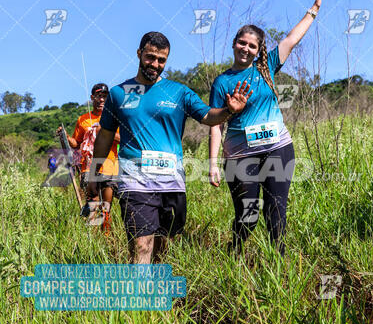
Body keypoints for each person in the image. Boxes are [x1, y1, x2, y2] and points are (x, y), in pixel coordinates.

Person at [87, 31, 252, 264]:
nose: (155, 64)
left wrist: (229, 111)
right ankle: (138, 298)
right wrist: (95, 172)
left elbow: (208, 116)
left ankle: (157, 293)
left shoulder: (179, 92)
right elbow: (104, 137)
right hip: (135, 182)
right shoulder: (118, 93)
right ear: (139, 54)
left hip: (171, 183)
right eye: (150, 57)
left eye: (161, 60)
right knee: (141, 245)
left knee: (164, 247)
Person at [209, 0, 322, 256]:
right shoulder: (221, 82)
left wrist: (313, 10)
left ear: (259, 50)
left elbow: (292, 39)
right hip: (239, 156)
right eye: (242, 43)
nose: (246, 49)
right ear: (234, 43)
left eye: (252, 45)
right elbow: (215, 124)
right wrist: (213, 163)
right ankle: (232, 259)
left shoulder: (267, 67)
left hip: (277, 149)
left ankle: (279, 270)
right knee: (248, 217)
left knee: (276, 215)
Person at [57, 83, 120, 228]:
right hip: (89, 168)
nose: (102, 99)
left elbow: (123, 139)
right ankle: (93, 241)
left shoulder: (114, 117)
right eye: (98, 96)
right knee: (93, 206)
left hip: (109, 167)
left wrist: (104, 131)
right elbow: (76, 143)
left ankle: (106, 237)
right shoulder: (83, 119)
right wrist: (64, 136)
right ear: (92, 98)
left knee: (106, 207)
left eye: (105, 96)